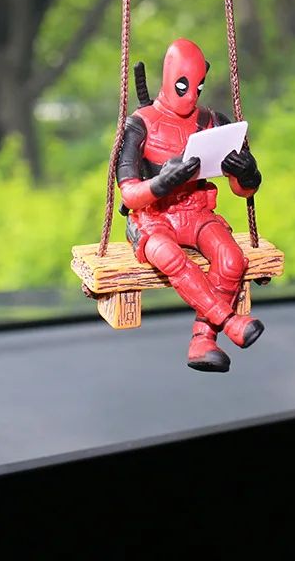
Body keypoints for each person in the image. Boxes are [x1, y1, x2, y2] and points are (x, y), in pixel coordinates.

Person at [116, 38, 264, 372]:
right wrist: (162, 183)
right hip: (153, 217)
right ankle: (229, 321)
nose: (191, 96)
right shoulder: (140, 124)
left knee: (232, 259)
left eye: (198, 87)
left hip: (197, 211)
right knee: (169, 255)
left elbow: (244, 191)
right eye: (183, 86)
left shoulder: (214, 122)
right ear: (168, 78)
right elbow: (128, 194)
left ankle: (203, 340)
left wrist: (247, 172)